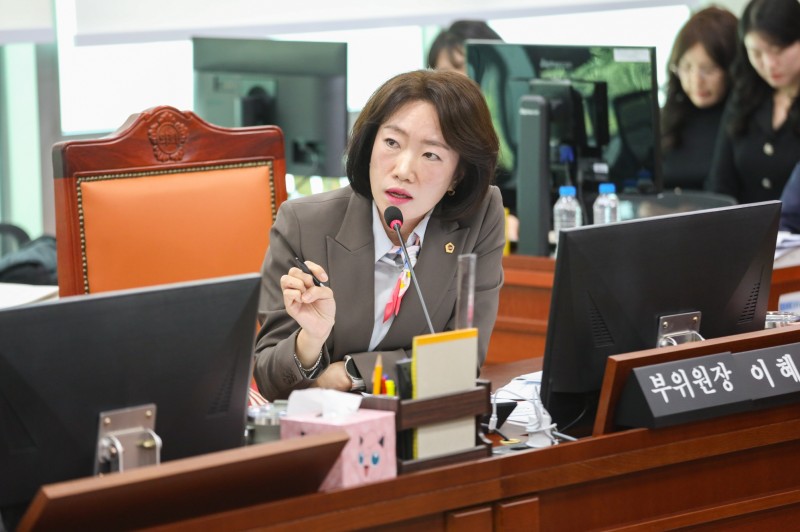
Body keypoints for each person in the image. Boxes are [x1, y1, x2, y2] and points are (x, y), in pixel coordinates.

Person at [254, 70, 504, 401]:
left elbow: (461, 360)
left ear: (458, 175)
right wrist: (310, 340)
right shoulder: (303, 224)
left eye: (431, 154)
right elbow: (270, 380)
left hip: (416, 421)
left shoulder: (481, 215)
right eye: (391, 143)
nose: (403, 170)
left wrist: (350, 373)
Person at [706, 0, 800, 203]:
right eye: (756, 53)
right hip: (744, 221)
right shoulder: (745, 95)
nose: (769, 64)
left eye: (778, 50)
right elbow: (720, 183)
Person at [661, 7, 738, 191]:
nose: (696, 81)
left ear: (732, 69)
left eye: (709, 69)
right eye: (686, 68)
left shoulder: (743, 119)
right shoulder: (668, 115)